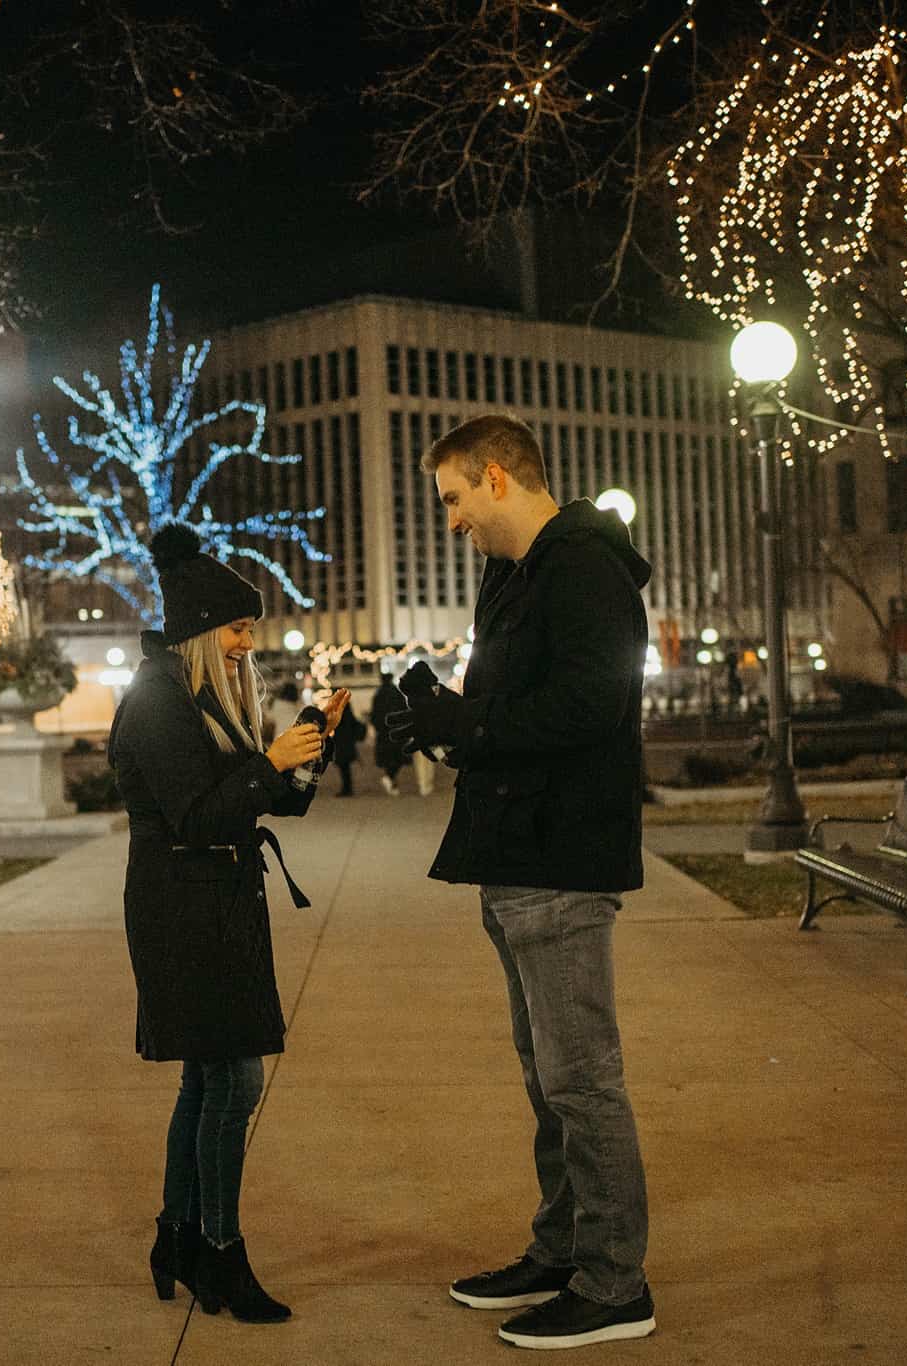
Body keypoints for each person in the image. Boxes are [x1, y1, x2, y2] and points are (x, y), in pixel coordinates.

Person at [384, 414, 656, 1351]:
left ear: (497, 477)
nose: (451, 519)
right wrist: (440, 717)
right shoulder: (513, 575)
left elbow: (594, 701)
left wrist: (473, 727)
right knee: (548, 1076)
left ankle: (616, 1283)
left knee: (583, 1079)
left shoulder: (582, 564)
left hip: (562, 853)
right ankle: (563, 1247)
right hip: (516, 850)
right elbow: (509, 704)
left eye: (455, 497)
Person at [108, 524, 348, 1326]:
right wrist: (269, 764)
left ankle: (179, 1238)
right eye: (240, 629)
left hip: (220, 904)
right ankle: (220, 1250)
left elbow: (274, 799)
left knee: (208, 1079)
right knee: (235, 1080)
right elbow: (198, 813)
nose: (251, 643)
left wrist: (307, 747)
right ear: (205, 632)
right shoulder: (156, 702)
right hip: (183, 912)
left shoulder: (208, 697)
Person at [368, 672, 410, 795]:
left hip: (383, 732)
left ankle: (390, 778)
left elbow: (374, 714)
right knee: (397, 757)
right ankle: (391, 779)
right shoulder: (397, 693)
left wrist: (377, 727)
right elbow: (404, 710)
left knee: (387, 758)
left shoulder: (378, 694)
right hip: (396, 730)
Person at [332, 697, 366, 796]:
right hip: (347, 743)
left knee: (344, 768)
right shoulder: (347, 712)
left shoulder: (339, 713)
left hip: (342, 743)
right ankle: (347, 788)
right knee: (345, 767)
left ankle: (347, 789)